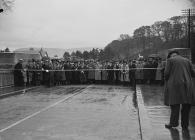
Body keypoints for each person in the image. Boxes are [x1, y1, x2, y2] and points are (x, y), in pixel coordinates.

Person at [164, 50, 195, 131]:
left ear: (171, 55)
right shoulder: (187, 60)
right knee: (186, 106)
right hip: (187, 85)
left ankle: (173, 123)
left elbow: (166, 73)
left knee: (175, 105)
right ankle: (185, 125)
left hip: (175, 85)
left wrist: (167, 80)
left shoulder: (170, 60)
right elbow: (193, 73)